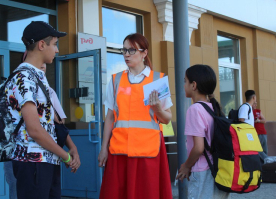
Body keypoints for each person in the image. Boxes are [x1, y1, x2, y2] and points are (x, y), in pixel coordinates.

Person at [5, 21, 80, 199]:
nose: (57, 50)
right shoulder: (24, 78)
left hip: (45, 160)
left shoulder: (37, 76)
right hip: (32, 162)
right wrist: (66, 156)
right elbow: (34, 130)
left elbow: (51, 121)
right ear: (41, 45)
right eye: (54, 44)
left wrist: (70, 148)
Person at [98, 33, 173, 199]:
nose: (126, 54)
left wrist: (158, 109)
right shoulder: (116, 80)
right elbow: (109, 117)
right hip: (119, 151)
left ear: (144, 53)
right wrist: (103, 148)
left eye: (131, 50)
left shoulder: (157, 80)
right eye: (124, 50)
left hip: (148, 152)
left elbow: (167, 118)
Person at [176, 64, 229, 199]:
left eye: (185, 81)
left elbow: (198, 148)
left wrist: (186, 166)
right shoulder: (213, 108)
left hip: (202, 172)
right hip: (218, 170)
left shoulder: (195, 110)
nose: (184, 85)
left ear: (193, 85)